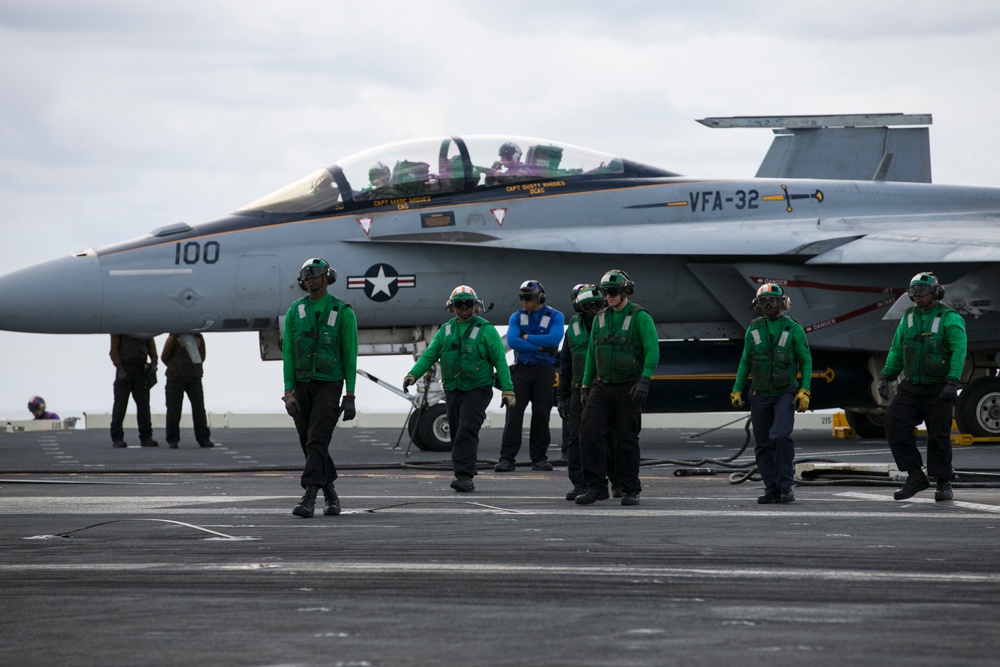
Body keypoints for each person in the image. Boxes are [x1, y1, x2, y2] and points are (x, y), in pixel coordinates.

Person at [403, 285, 516, 492]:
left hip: (478, 388)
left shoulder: (486, 330)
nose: (464, 307)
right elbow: (430, 354)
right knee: (456, 431)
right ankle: (463, 473)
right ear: (451, 306)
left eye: (468, 303)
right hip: (453, 388)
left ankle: (465, 477)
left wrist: (508, 389)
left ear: (476, 306)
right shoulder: (445, 331)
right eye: (459, 304)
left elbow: (500, 360)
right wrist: (413, 374)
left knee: (467, 429)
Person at [878, 272, 967, 502]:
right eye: (913, 291)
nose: (916, 296)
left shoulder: (950, 318)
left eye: (922, 291)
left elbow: (959, 350)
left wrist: (952, 381)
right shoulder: (908, 317)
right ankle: (915, 474)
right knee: (894, 423)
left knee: (939, 435)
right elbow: (898, 349)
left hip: (939, 387)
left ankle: (943, 482)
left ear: (936, 293)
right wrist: (886, 376)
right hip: (912, 386)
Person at [282, 257, 358, 518]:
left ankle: (309, 497)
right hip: (301, 385)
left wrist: (350, 395)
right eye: (305, 274)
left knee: (317, 439)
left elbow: (350, 356)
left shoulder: (343, 312)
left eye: (315, 273)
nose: (310, 278)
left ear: (328, 277)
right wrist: (288, 391)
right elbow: (289, 355)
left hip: (330, 384)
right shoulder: (295, 311)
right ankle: (332, 495)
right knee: (309, 442)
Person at [576, 269, 659, 506]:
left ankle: (631, 488)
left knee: (626, 440)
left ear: (625, 291)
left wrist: (645, 380)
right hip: (602, 386)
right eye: (605, 293)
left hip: (630, 386)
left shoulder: (640, 316)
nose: (609, 296)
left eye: (612, 292)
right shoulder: (601, 318)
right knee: (588, 433)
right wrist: (585, 385)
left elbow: (652, 350)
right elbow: (593, 353)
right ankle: (596, 487)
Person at [730, 283, 813, 504]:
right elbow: (745, 361)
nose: (768, 305)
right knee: (763, 443)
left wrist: (804, 390)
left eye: (773, 301)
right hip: (759, 394)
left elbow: (805, 360)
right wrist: (737, 389)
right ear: (757, 305)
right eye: (763, 301)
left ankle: (786, 487)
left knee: (781, 435)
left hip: (784, 392)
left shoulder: (793, 329)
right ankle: (772, 488)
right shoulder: (753, 330)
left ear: (783, 303)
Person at [496, 279, 565, 472]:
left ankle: (539, 459)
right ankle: (506, 459)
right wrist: (542, 345)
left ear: (539, 297)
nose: (524, 301)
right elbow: (513, 341)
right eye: (521, 298)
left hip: (544, 371)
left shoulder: (555, 316)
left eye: (528, 298)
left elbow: (554, 339)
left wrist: (528, 337)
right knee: (514, 413)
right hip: (521, 370)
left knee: (541, 414)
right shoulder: (516, 317)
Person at [557, 284, 612, 501]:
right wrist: (562, 396)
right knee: (576, 438)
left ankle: (615, 481)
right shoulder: (574, 325)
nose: (592, 309)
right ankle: (580, 484)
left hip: (605, 387)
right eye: (587, 306)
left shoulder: (609, 321)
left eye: (595, 305)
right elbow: (566, 363)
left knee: (610, 437)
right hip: (578, 389)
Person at [161, 333, 213, 449]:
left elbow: (165, 357)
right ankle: (200, 438)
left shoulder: (177, 336)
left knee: (197, 409)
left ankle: (176, 439)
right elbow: (201, 357)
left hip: (188, 377)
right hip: (180, 378)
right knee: (177, 410)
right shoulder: (180, 337)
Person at [109, 334, 159, 448]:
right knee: (121, 406)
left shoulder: (127, 324)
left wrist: (154, 360)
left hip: (140, 368)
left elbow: (150, 342)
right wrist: (120, 367)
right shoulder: (120, 326)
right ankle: (117, 438)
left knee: (143, 406)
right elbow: (114, 350)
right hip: (126, 367)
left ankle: (146, 437)